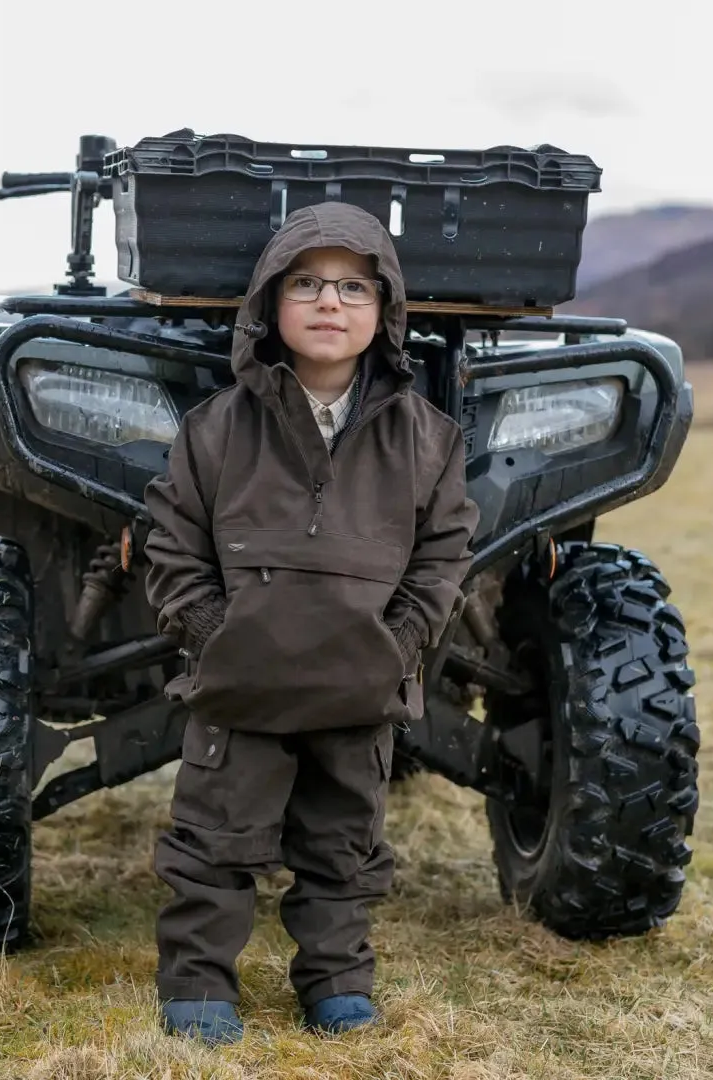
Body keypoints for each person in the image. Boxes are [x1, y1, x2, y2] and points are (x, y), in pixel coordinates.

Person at [143, 200, 480, 1044]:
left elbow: (444, 561)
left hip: (358, 689)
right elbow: (173, 549)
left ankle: (335, 982)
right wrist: (222, 637)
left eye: (354, 288)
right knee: (213, 843)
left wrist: (394, 646)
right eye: (306, 284)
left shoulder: (430, 440)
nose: (330, 304)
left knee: (345, 849)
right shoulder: (213, 430)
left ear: (386, 312)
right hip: (240, 686)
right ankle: (198, 985)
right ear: (269, 304)